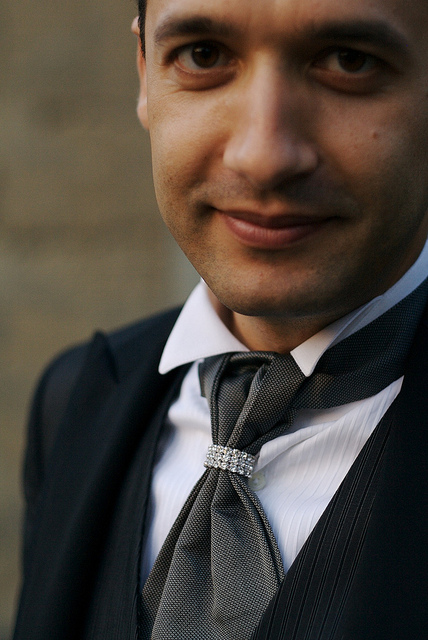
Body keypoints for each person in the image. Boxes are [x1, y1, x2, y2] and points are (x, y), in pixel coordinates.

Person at [13, 0, 428, 637]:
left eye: (350, 61)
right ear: (144, 72)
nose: (263, 157)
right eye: (203, 55)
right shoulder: (77, 399)